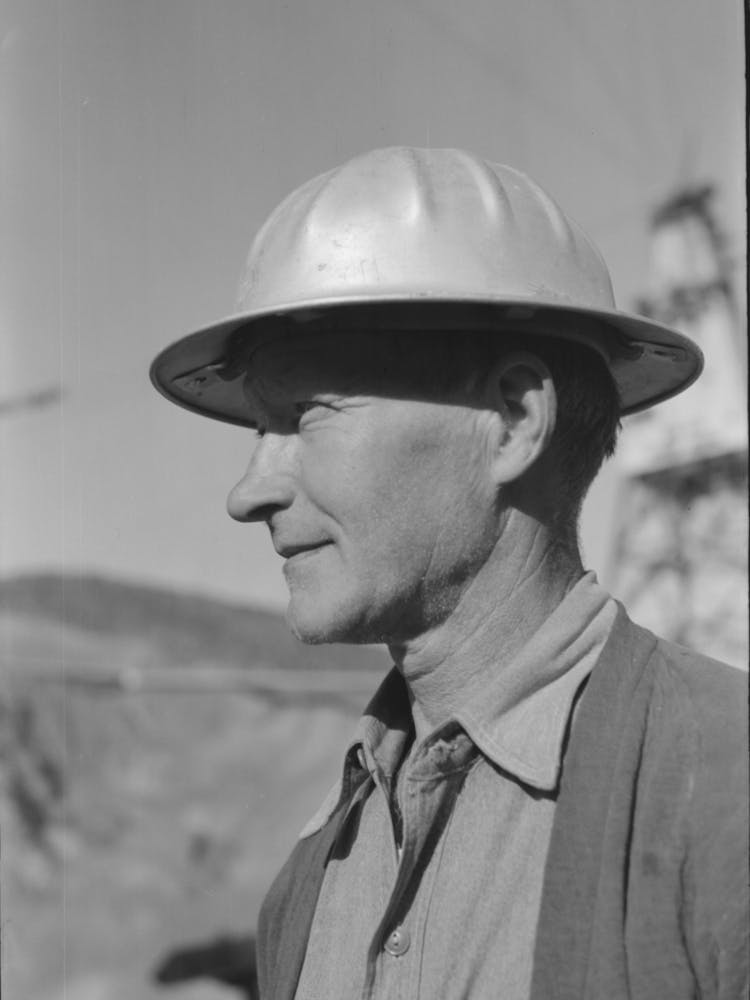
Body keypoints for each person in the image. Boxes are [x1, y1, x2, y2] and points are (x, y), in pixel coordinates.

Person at [150, 147, 748, 1000]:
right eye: (257, 429)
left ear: (511, 421)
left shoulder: (726, 794)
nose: (248, 493)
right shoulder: (311, 880)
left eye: (307, 415)